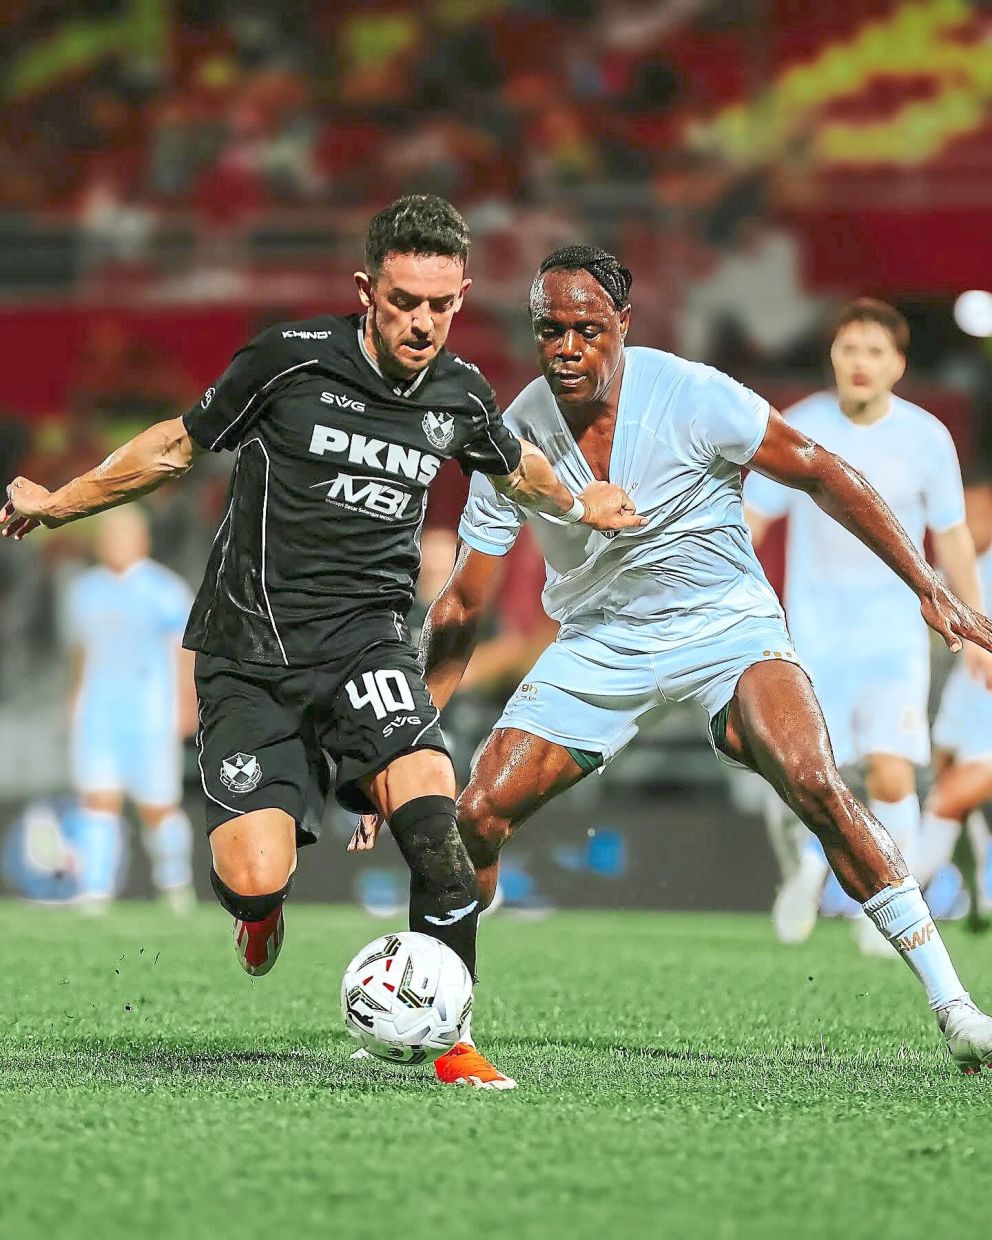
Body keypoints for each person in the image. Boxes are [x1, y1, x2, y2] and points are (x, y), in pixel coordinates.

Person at [1, 197, 641, 1090]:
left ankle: (449, 1038)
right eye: (404, 301)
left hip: (367, 651)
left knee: (436, 820)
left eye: (441, 304)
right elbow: (173, 450)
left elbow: (514, 462)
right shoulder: (288, 362)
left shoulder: (459, 393)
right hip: (249, 657)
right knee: (256, 875)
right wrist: (57, 502)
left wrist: (581, 501)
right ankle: (259, 915)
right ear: (366, 291)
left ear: (460, 296)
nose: (423, 322)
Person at [353, 245, 992, 1075]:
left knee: (814, 780)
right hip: (599, 641)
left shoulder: (693, 393)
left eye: (588, 329)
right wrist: (402, 742)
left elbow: (823, 473)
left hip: (726, 624)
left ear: (623, 325)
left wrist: (929, 585)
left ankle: (954, 1006)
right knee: (472, 816)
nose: (569, 348)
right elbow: (465, 604)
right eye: (552, 331)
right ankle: (447, 1024)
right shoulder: (509, 435)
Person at [744, 299, 991, 953]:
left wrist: (973, 627)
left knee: (891, 773)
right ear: (833, 355)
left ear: (899, 365)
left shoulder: (926, 437)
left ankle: (890, 909)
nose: (861, 363)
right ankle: (803, 868)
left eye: (875, 352)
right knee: (804, 772)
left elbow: (953, 538)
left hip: (890, 636)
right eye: (850, 348)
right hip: (811, 633)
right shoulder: (798, 427)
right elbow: (753, 520)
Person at [66, 505, 195, 911]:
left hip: (150, 713)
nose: (115, 542)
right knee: (96, 800)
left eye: (123, 534)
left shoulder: (165, 589)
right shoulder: (84, 590)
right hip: (98, 712)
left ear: (143, 539)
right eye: (108, 535)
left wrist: (186, 705)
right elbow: (81, 652)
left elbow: (184, 653)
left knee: (158, 807)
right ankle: (95, 889)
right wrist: (74, 699)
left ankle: (175, 883)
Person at [915, 473, 992, 921]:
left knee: (949, 797)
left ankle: (902, 905)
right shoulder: (959, 571)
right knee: (951, 794)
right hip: (964, 705)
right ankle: (979, 893)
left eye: (977, 515)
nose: (966, 525)